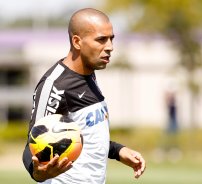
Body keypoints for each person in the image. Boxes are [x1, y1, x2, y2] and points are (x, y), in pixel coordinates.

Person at [22, 8, 146, 184]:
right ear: (77, 41)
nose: (110, 47)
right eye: (101, 39)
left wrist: (118, 151)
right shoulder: (55, 85)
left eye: (111, 39)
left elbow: (83, 135)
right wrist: (38, 173)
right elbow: (32, 143)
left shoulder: (90, 76)